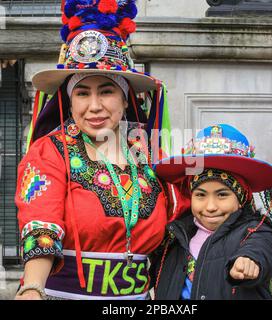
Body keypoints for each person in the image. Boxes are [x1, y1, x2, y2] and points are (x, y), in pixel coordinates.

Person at [14, 0, 173, 300]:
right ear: (69, 101)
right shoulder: (50, 152)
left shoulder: (148, 154)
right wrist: (32, 288)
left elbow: (196, 215)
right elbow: (41, 221)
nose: (95, 106)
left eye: (107, 91)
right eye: (83, 93)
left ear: (126, 99)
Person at [152, 124, 272, 300]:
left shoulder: (256, 231)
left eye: (222, 195)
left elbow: (260, 249)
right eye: (201, 195)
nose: (210, 206)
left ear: (241, 198)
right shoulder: (175, 237)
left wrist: (249, 260)